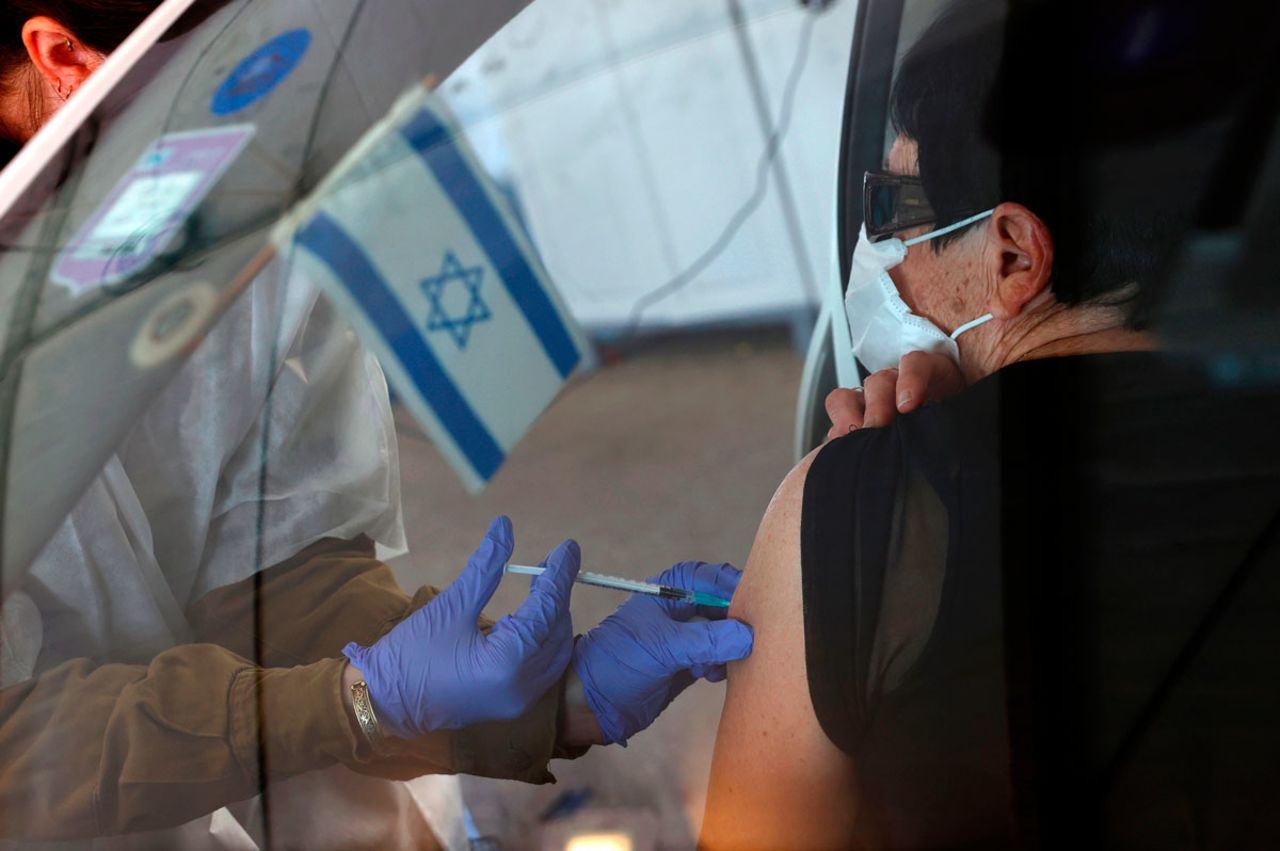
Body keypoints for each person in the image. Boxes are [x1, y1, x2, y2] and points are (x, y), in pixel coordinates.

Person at [0, 4, 754, 848]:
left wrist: (553, 699)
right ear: (66, 57)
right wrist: (349, 703)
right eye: (233, 73)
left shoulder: (236, 237)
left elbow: (283, 585)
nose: (272, 116)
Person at [700, 0, 1280, 847]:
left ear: (1012, 254)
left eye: (894, 208)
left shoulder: (866, 510)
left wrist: (872, 494)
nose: (880, 257)